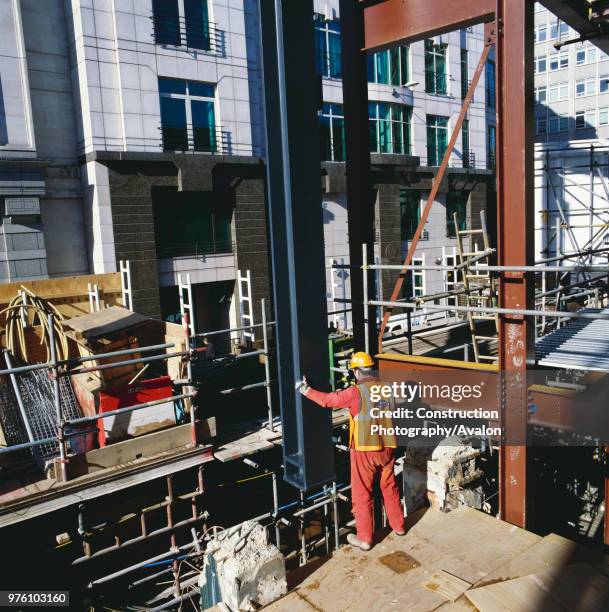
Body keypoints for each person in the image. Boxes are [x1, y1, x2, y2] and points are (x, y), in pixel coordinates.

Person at [295, 352, 405, 551]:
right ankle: (398, 526)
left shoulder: (355, 392)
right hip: (387, 447)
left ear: (356, 371)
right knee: (389, 487)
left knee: (362, 494)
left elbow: (329, 400)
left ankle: (364, 538)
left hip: (364, 449)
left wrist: (305, 389)